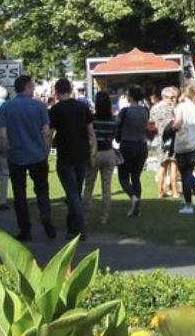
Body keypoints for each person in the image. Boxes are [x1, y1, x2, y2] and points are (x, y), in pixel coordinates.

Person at [0, 74, 54, 241]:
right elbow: (46, 133)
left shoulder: (7, 107)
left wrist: (6, 152)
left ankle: (25, 229)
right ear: (28, 87)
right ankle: (45, 216)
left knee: (20, 194)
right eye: (33, 86)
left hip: (16, 156)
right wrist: (45, 152)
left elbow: (3, 135)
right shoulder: (39, 106)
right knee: (42, 190)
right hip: (37, 155)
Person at [47, 78, 93, 237]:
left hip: (65, 154)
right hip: (82, 154)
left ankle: (79, 229)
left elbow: (49, 133)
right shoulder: (82, 107)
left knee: (72, 194)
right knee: (75, 192)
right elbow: (90, 132)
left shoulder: (55, 110)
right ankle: (72, 228)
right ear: (70, 89)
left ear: (56, 92)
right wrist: (92, 151)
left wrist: (46, 151)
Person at [171, 84, 195, 215]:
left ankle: (188, 204)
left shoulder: (182, 106)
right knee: (189, 173)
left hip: (184, 143)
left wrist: (172, 125)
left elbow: (177, 123)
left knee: (185, 175)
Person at [115, 85, 151, 217]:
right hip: (141, 145)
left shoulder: (125, 111)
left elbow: (117, 125)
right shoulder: (145, 110)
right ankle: (137, 208)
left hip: (127, 145)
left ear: (130, 97)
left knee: (123, 177)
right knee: (136, 176)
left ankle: (133, 197)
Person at [86, 90, 118, 226]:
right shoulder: (113, 120)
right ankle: (104, 217)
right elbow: (115, 136)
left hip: (94, 153)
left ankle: (84, 216)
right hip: (109, 152)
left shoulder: (92, 119)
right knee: (107, 187)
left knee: (89, 185)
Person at [151, 87, 180, 200]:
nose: (173, 100)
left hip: (160, 140)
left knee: (162, 166)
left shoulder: (155, 108)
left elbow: (151, 123)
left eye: (174, 97)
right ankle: (174, 192)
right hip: (172, 139)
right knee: (172, 165)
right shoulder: (175, 108)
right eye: (172, 97)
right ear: (165, 97)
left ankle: (160, 192)